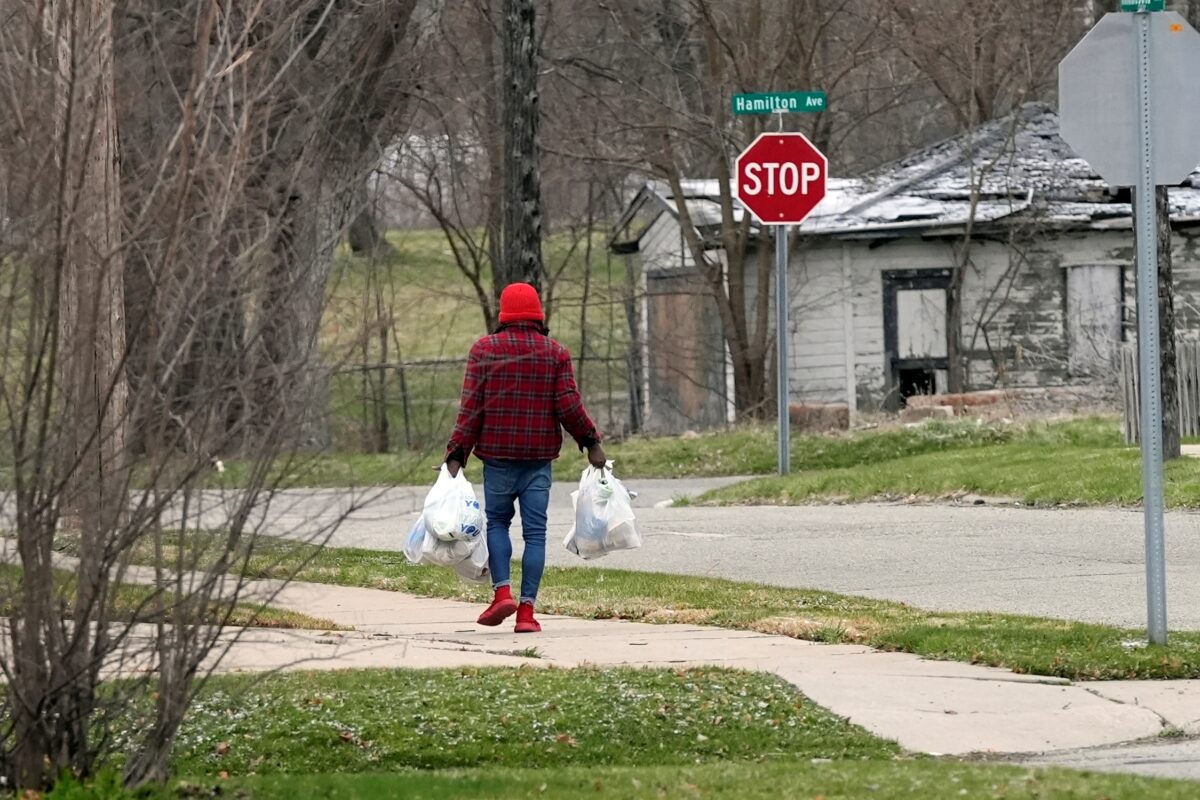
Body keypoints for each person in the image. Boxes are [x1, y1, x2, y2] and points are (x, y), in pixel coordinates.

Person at [445, 282, 606, 633]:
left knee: (498, 523)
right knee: (535, 533)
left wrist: (457, 453)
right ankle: (527, 613)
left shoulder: (484, 351)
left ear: (503, 314)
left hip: (498, 459)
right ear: (537, 313)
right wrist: (590, 441)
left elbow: (471, 409)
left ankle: (502, 592)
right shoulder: (554, 353)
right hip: (537, 461)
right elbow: (568, 405)